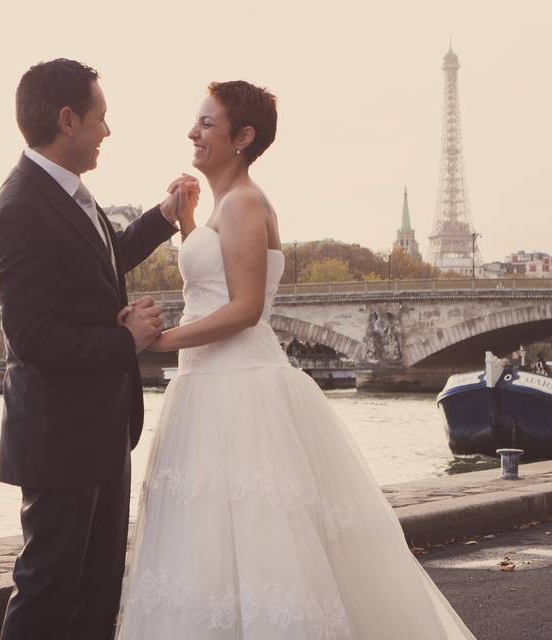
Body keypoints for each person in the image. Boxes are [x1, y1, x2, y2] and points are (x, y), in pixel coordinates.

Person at [116, 81, 476, 639]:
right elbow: (212, 280)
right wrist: (186, 220)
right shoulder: (226, 208)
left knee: (235, 542)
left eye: (207, 124)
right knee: (218, 542)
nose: (193, 132)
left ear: (244, 137)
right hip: (211, 383)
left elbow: (244, 309)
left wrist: (161, 342)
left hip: (235, 388)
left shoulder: (245, 204)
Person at [0, 58, 197, 640]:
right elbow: (32, 337)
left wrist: (163, 217)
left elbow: (102, 264)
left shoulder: (66, 193)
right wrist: (124, 339)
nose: (109, 130)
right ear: (69, 120)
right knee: (49, 591)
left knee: (96, 595)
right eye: (102, 118)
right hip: (59, 437)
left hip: (96, 430)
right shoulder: (20, 207)